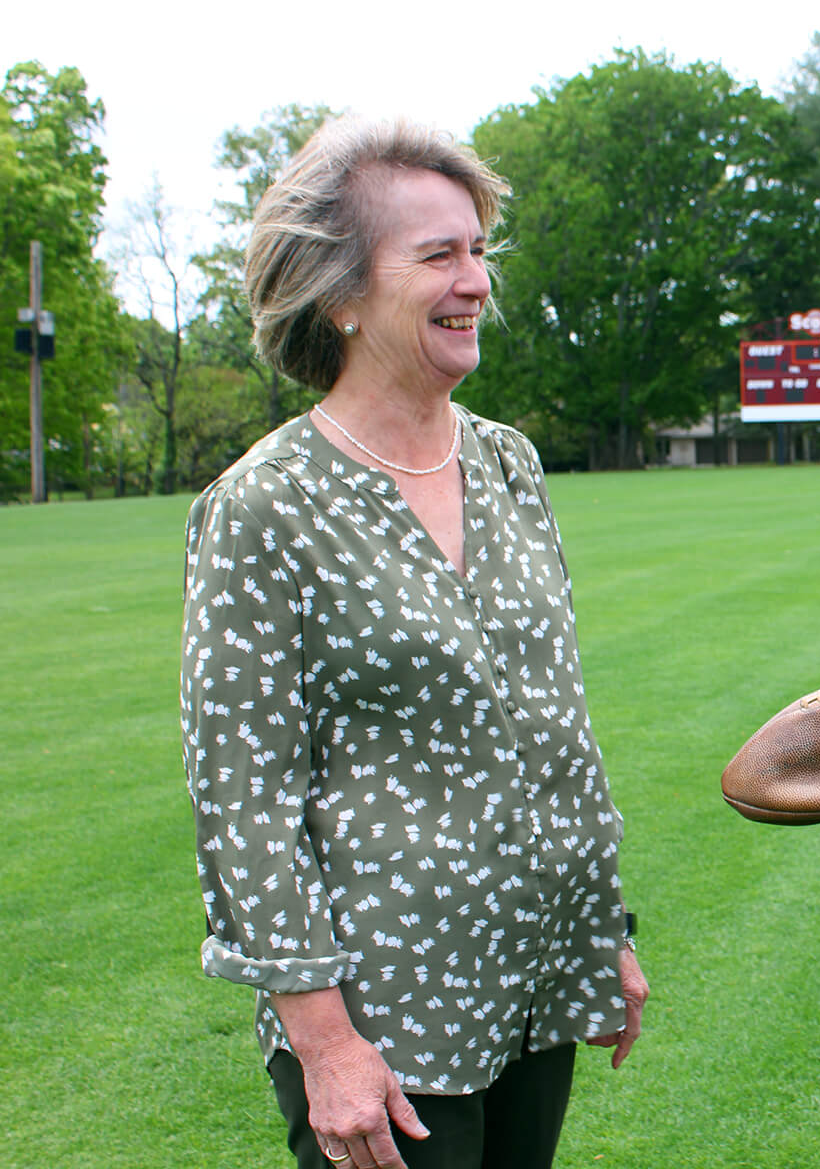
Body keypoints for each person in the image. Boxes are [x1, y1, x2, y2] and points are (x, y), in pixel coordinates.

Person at [180, 117, 647, 1169]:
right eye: (438, 255)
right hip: (385, 1015)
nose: (474, 281)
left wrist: (603, 930)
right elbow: (245, 800)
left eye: (478, 250)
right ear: (340, 295)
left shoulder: (509, 464)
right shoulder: (265, 506)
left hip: (535, 979)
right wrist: (324, 1043)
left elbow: (555, 722)